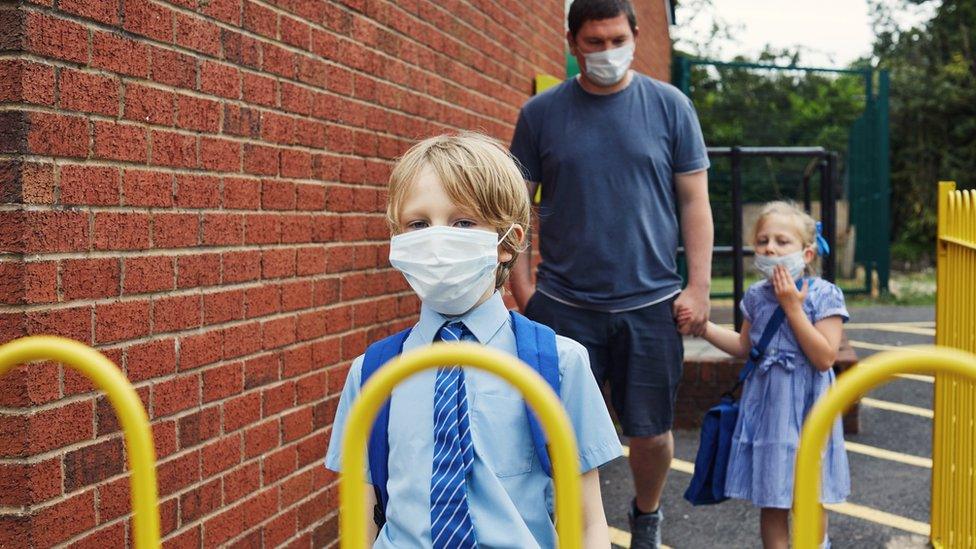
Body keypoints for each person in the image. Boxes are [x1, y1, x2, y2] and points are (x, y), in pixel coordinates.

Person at [325, 132, 622, 548]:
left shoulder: (558, 363)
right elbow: (359, 521)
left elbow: (589, 523)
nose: (436, 239)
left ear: (509, 242)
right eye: (418, 224)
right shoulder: (372, 373)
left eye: (463, 222)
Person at [509, 0, 714, 546]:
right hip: (564, 303)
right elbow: (515, 203)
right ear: (573, 43)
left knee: (650, 434)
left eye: (615, 39)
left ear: (635, 34)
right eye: (593, 42)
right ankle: (563, 525)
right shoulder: (541, 114)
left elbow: (695, 201)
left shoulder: (670, 106)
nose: (605, 52)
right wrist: (522, 285)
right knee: (555, 431)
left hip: (651, 305)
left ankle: (646, 516)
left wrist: (698, 287)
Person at [680, 201, 851, 549]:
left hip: (809, 406)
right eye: (762, 241)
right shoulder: (756, 296)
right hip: (769, 408)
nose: (769, 247)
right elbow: (745, 345)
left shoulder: (824, 294)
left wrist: (792, 306)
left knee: (808, 493)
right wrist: (704, 328)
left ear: (806, 253)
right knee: (772, 497)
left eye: (781, 241)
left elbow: (824, 357)